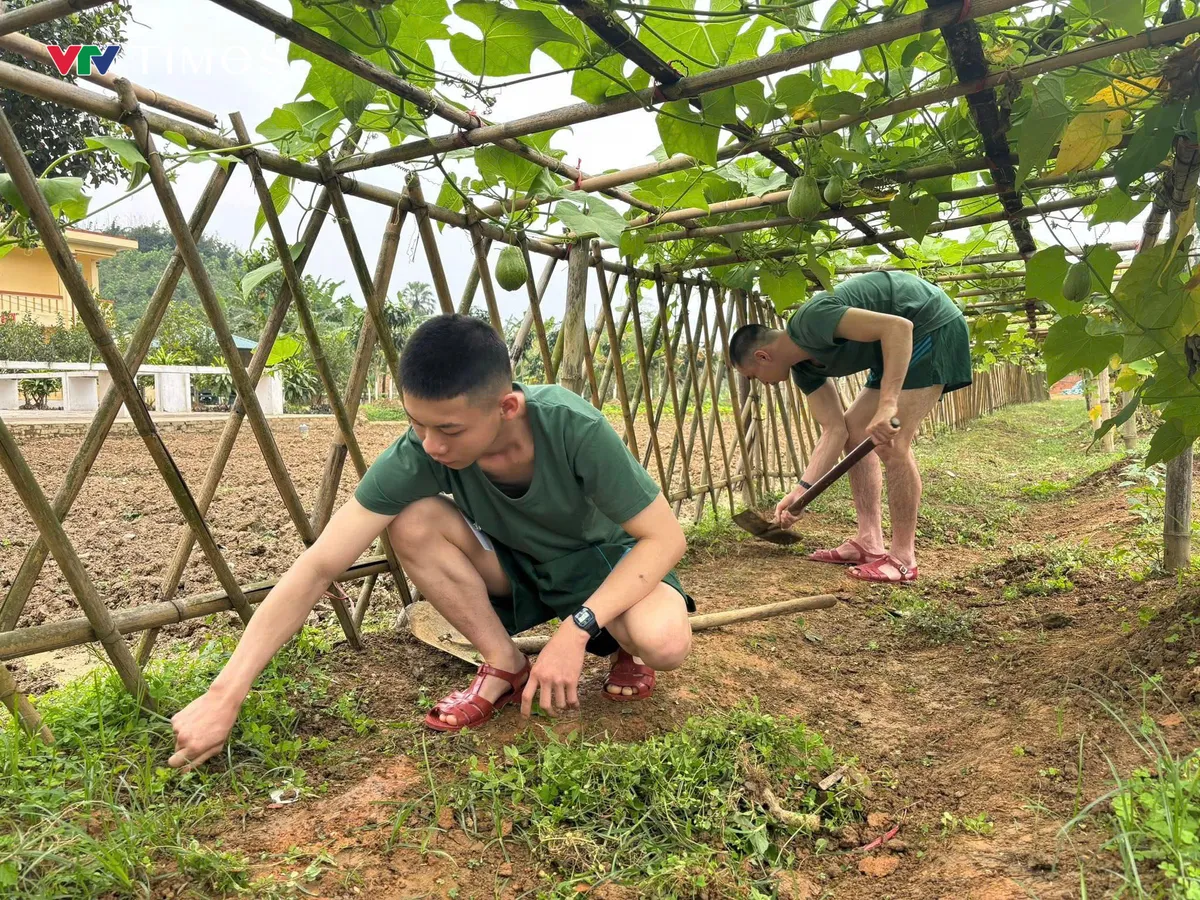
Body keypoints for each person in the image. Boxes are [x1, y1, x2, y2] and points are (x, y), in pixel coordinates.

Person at [169, 315, 693, 769]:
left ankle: (621, 644)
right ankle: (505, 664)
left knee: (665, 643)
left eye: (449, 429)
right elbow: (317, 566)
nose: (432, 445)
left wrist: (576, 631)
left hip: (606, 563)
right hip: (519, 566)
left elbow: (665, 539)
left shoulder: (572, 427)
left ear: (508, 407)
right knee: (412, 520)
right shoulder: (420, 450)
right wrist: (224, 694)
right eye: (417, 423)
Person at [729, 271, 972, 584]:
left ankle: (903, 559)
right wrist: (801, 492)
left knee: (891, 444)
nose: (760, 383)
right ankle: (869, 541)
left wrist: (888, 404)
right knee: (856, 431)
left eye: (753, 376)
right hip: (892, 351)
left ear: (762, 356)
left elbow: (899, 327)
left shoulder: (811, 320)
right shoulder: (804, 370)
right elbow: (835, 431)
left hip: (930, 325)